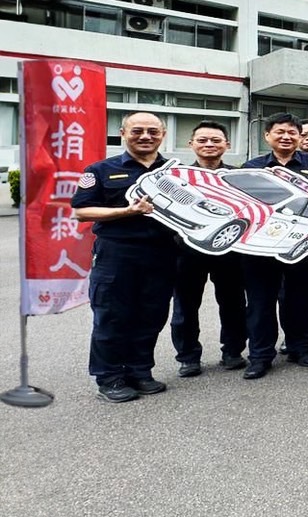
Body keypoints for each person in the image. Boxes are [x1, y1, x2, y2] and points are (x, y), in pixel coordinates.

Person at [71, 112, 181, 402]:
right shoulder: (101, 170)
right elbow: (82, 211)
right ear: (123, 133)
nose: (145, 136)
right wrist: (126, 211)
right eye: (137, 131)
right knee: (112, 316)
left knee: (152, 315)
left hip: (161, 253)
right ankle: (109, 378)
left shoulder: (175, 172)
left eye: (153, 131)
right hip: (117, 252)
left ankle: (140, 371)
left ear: (163, 135)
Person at [240, 113, 308, 379]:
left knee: (300, 299)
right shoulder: (252, 166)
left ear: (299, 136)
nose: (286, 137)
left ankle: (300, 348)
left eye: (292, 133)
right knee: (260, 303)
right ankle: (260, 355)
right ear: (267, 136)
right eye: (280, 132)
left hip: (301, 245)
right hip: (260, 246)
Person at [169, 120, 248, 376]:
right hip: (188, 252)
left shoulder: (238, 177)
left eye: (215, 140)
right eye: (202, 140)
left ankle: (233, 351)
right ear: (191, 144)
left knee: (234, 304)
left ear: (227, 144)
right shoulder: (177, 177)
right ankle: (188, 357)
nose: (209, 144)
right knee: (185, 306)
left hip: (229, 252)